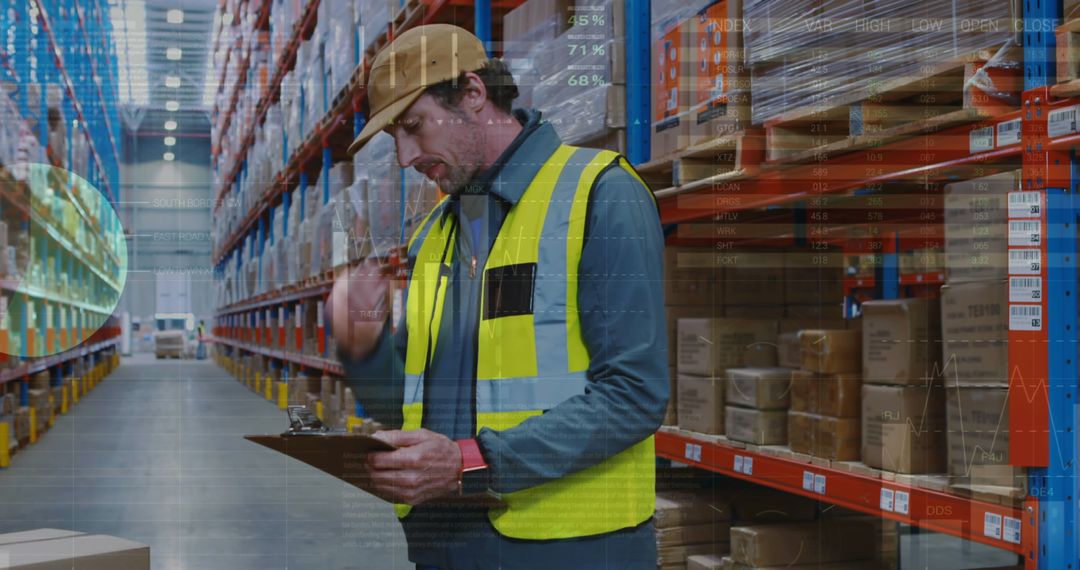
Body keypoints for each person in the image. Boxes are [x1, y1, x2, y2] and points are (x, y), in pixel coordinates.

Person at [331, 24, 668, 570]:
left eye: (413, 127)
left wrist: (471, 460)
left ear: (472, 94)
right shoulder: (433, 236)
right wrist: (363, 347)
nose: (403, 157)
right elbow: (408, 403)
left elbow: (634, 395)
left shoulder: (600, 195)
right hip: (443, 544)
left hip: (568, 548)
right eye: (394, 136)